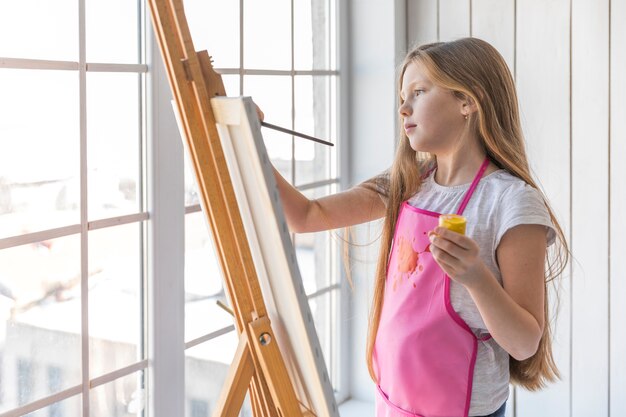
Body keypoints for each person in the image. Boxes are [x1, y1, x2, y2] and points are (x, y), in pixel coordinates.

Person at [269, 37, 569, 417]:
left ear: (467, 101)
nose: (403, 107)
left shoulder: (511, 201)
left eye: (419, 92)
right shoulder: (409, 182)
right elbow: (305, 216)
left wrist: (475, 277)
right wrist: (250, 138)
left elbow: (525, 342)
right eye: (402, 95)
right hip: (394, 402)